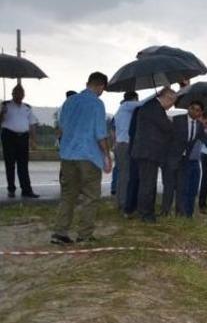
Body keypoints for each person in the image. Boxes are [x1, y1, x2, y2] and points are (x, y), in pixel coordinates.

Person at [50, 72, 112, 244]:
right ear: (101, 87)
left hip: (68, 155)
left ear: (87, 83)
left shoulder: (69, 101)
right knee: (91, 197)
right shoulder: (97, 104)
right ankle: (84, 235)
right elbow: (100, 133)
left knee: (68, 195)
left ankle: (60, 233)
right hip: (88, 156)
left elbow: (61, 128)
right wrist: (106, 155)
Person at [131, 87, 177, 223]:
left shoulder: (153, 107)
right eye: (172, 102)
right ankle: (145, 215)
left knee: (148, 184)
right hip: (148, 152)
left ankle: (147, 212)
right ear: (167, 97)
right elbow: (167, 128)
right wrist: (170, 122)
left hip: (149, 152)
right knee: (147, 185)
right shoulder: (154, 108)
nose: (171, 106)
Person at [171, 103, 207, 217]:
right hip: (183, 162)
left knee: (193, 190)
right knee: (183, 189)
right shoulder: (188, 126)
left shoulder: (202, 130)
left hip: (195, 162)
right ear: (200, 118)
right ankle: (181, 213)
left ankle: (189, 214)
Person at [1, 84, 40, 198]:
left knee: (23, 165)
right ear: (12, 94)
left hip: (23, 137)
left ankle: (26, 190)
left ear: (24, 95)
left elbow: (32, 124)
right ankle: (11, 189)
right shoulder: (5, 105)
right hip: (9, 136)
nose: (19, 95)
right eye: (16, 93)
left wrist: (33, 140)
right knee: (10, 164)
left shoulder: (27, 107)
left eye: (21, 93)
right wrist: (2, 112)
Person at [112, 91, 140, 210]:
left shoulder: (122, 109)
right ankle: (123, 202)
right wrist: (159, 93)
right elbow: (143, 103)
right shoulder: (127, 106)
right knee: (125, 175)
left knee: (122, 174)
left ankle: (120, 201)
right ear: (134, 99)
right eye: (137, 100)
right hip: (125, 144)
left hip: (120, 144)